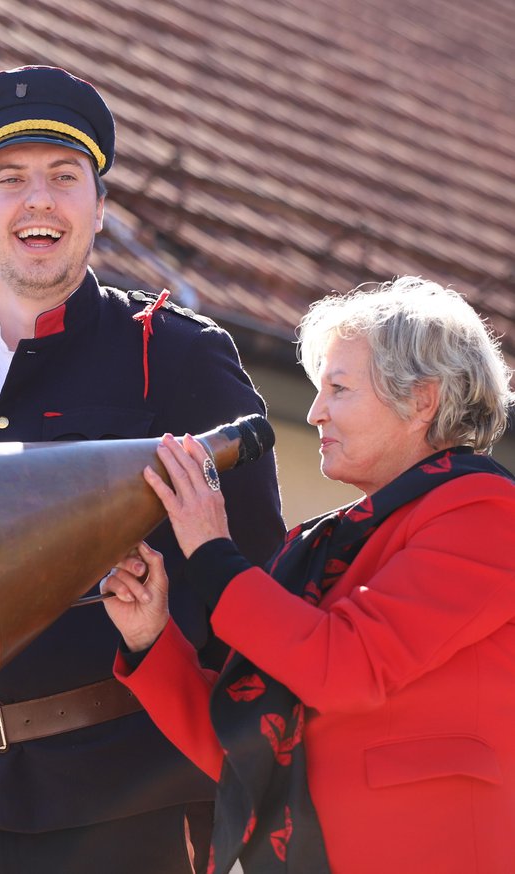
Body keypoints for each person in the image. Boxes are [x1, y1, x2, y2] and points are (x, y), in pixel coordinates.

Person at [0, 65, 285, 874]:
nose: (39, 202)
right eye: (9, 180)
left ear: (99, 208)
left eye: (65, 178)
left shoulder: (179, 358)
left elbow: (260, 593)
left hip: (124, 812)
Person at [102, 276, 515, 874]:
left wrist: (214, 555)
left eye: (339, 389)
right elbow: (247, 750)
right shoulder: (322, 544)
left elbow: (346, 665)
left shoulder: (486, 512)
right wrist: (151, 637)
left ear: (421, 400)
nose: (315, 411)